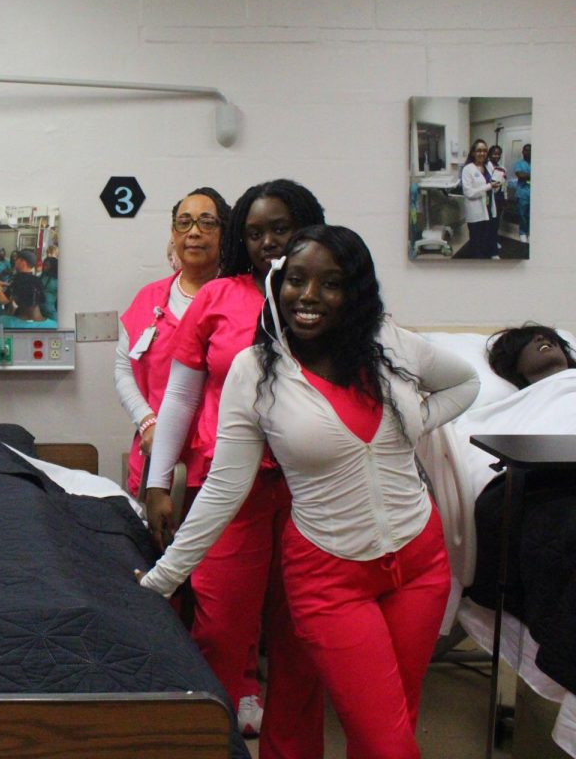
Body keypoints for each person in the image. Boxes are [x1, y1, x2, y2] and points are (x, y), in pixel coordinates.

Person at [139, 225, 479, 759]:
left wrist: (418, 421)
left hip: (419, 563)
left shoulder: (390, 345)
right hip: (331, 578)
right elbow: (225, 487)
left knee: (390, 727)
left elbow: (466, 383)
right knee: (390, 744)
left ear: (355, 292)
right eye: (296, 280)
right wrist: (162, 580)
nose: (309, 296)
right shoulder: (256, 371)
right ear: (278, 285)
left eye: (331, 283)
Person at [143, 179, 327, 753]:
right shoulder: (218, 297)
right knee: (220, 632)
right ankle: (211, 745)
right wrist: (157, 480)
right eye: (253, 232)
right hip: (227, 489)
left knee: (301, 639)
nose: (268, 242)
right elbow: (179, 397)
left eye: (280, 229)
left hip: (312, 491)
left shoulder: (329, 295)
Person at [115, 186, 229, 499]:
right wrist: (147, 422)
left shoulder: (238, 299)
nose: (193, 232)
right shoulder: (148, 299)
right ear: (173, 233)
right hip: (154, 458)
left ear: (224, 234)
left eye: (207, 223)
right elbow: (124, 369)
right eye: (184, 222)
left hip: (219, 466)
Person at [488, 323, 576, 388]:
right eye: (526, 340)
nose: (541, 337)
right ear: (514, 363)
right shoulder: (520, 407)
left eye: (549, 337)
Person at [461, 139, 501, 259]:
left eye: (484, 150)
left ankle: (491, 253)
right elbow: (469, 193)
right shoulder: (468, 169)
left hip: (489, 207)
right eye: (479, 150)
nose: (482, 153)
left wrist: (497, 184)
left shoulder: (488, 165)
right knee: (476, 238)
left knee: (488, 234)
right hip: (475, 210)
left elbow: (493, 183)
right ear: (473, 152)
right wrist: (489, 186)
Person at [514, 143, 531, 242]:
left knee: (532, 214)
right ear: (523, 152)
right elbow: (520, 175)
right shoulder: (519, 163)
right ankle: (523, 233)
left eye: (530, 150)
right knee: (522, 214)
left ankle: (530, 232)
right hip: (523, 193)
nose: (528, 152)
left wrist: (526, 175)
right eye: (526, 150)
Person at [39, 256, 58, 321]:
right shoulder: (41, 276)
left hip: (50, 310)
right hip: (38, 310)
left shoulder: (57, 280)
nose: (44, 267)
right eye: (44, 265)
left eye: (47, 265)